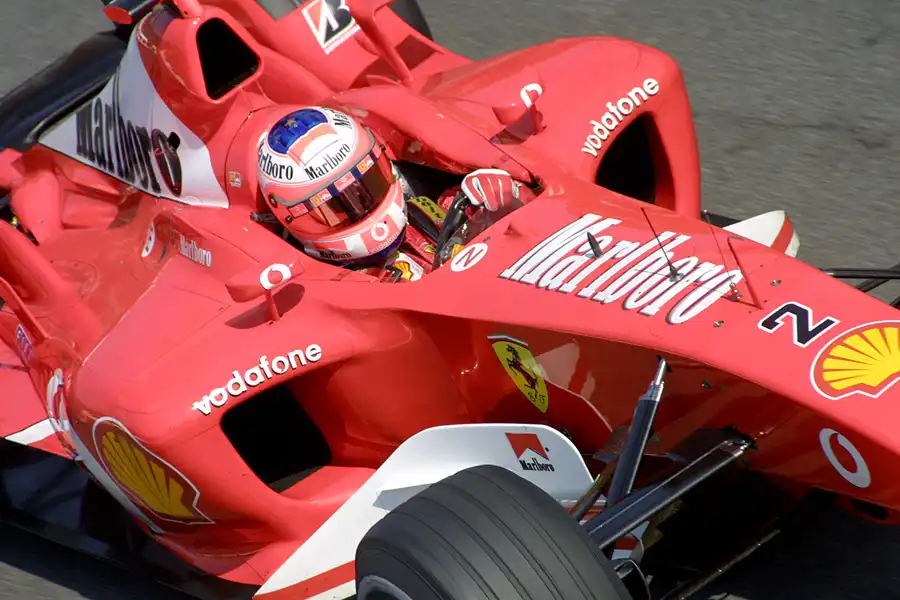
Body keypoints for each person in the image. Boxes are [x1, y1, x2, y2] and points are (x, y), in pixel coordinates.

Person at [256, 105, 534, 281]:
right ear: (291, 218)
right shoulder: (340, 285)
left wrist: (510, 195)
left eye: (367, 186)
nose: (361, 206)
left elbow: (458, 205)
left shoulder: (426, 209)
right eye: (335, 207)